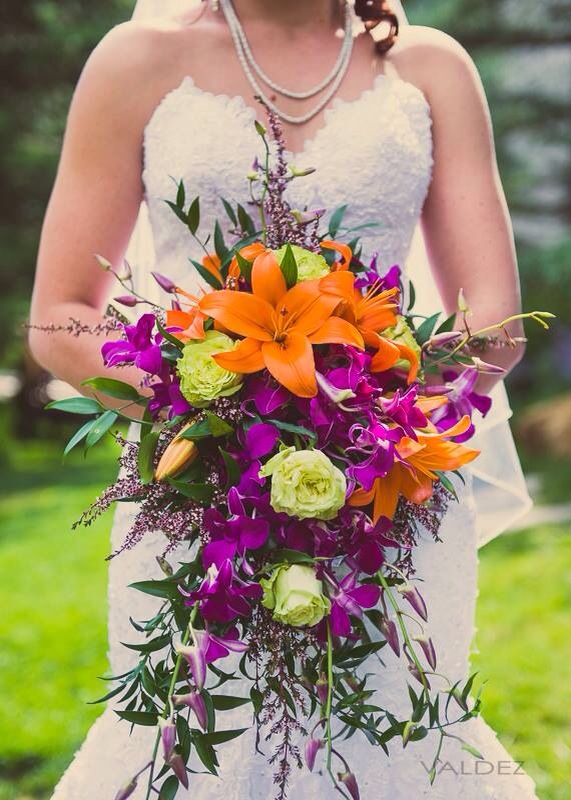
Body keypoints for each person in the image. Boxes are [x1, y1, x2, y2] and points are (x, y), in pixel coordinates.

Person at [29, 1, 539, 797]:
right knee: (197, 726)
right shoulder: (136, 61)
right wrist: (225, 413)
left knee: (392, 727)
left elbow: (495, 328)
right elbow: (59, 317)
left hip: (384, 480)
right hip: (197, 485)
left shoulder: (431, 69)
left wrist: (354, 412)